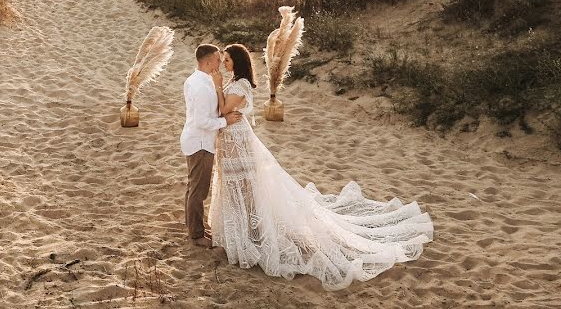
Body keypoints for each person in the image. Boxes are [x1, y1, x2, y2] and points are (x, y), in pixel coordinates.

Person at [207, 43, 434, 290]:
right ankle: (238, 232)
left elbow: (224, 108)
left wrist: (217, 85)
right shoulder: (233, 82)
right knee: (234, 186)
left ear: (237, 62)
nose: (224, 64)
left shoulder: (239, 85)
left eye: (227, 60)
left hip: (238, 141)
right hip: (229, 140)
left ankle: (250, 233)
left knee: (245, 186)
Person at [181, 43, 242, 248]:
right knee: (199, 190)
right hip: (200, 142)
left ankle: (193, 225)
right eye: (217, 59)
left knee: (194, 187)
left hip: (197, 139)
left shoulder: (200, 80)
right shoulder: (199, 86)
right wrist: (226, 121)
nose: (220, 63)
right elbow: (202, 121)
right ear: (207, 62)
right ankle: (196, 234)